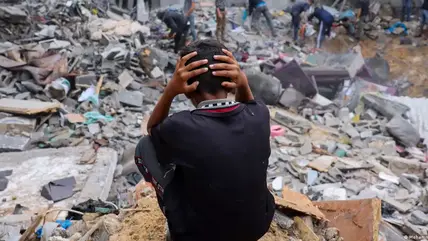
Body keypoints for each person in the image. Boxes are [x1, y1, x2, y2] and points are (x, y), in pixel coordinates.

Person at [135, 39, 275, 241]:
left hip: (197, 235)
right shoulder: (261, 114)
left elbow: (152, 129)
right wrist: (243, 83)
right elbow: (249, 106)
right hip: (256, 227)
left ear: (188, 87)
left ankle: (175, 216)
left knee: (145, 147)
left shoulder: (180, 126)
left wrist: (170, 90)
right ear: (231, 78)